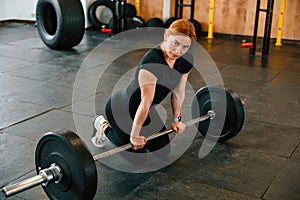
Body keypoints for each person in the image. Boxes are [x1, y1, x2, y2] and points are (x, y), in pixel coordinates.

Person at [91, 19, 197, 160]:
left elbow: (178, 92)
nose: (178, 51)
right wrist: (134, 135)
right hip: (122, 108)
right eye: (175, 43)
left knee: (163, 151)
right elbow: (145, 101)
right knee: (138, 156)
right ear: (166, 36)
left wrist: (177, 119)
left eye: (185, 47)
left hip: (144, 111)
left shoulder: (185, 61)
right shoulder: (152, 61)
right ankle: (102, 126)